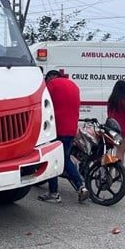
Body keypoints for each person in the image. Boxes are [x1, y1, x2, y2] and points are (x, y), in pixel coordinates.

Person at [37, 70, 89, 203]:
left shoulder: (52, 85)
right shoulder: (73, 85)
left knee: (54, 159)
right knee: (64, 157)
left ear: (49, 77)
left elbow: (43, 105)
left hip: (56, 129)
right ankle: (80, 187)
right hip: (71, 130)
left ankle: (55, 192)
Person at [107, 80, 125, 163]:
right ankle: (119, 174)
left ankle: (115, 171)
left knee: (117, 152)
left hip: (114, 130)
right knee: (121, 153)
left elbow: (109, 115)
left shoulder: (112, 100)